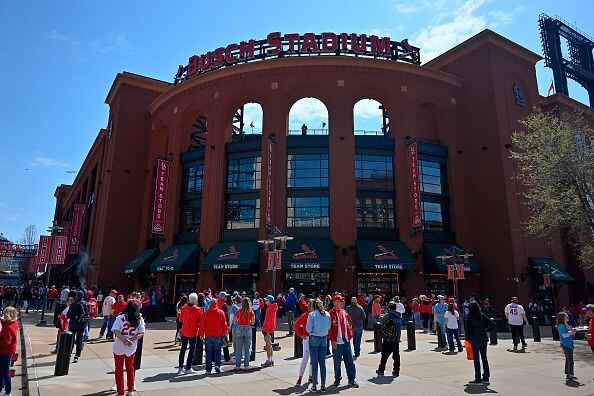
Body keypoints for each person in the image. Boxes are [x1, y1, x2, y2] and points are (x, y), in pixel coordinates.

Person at [112, 300, 145, 396]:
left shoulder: (120, 318)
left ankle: (120, 392)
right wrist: (132, 339)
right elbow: (141, 333)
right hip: (131, 347)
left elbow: (116, 331)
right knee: (130, 368)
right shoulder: (139, 319)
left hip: (119, 346)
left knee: (119, 369)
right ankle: (130, 390)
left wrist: (124, 340)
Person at [328, 294, 358, 388]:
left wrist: (350, 334)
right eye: (339, 301)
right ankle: (337, 379)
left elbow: (350, 324)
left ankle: (351, 380)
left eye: (341, 301)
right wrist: (332, 340)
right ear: (334, 302)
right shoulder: (330, 314)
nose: (341, 303)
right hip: (337, 342)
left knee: (350, 361)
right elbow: (329, 329)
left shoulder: (344, 312)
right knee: (337, 362)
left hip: (346, 342)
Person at [465, 301, 495, 386]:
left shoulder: (469, 316)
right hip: (483, 337)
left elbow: (467, 329)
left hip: (474, 339)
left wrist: (467, 339)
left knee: (476, 359)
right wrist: (486, 330)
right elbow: (493, 324)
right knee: (484, 357)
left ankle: (478, 378)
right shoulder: (482, 315)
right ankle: (486, 377)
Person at [306, 298, 331, 392]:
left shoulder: (312, 314)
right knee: (322, 363)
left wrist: (313, 331)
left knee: (314, 363)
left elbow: (308, 329)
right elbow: (328, 327)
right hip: (324, 339)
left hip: (314, 338)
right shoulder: (327, 314)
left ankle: (314, 386)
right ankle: (323, 385)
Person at [199, 296, 228, 375]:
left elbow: (202, 325)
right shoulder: (220, 312)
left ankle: (208, 369)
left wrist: (201, 334)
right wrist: (225, 333)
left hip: (208, 335)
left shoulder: (206, 313)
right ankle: (217, 365)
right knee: (217, 351)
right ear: (216, 303)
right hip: (218, 335)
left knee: (208, 353)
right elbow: (224, 324)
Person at [178, 293, 203, 374]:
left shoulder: (183, 308)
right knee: (191, 350)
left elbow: (181, 320)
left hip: (184, 331)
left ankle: (180, 367)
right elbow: (201, 321)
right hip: (193, 332)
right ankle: (188, 367)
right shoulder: (198, 309)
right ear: (195, 300)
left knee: (183, 349)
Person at [376, 301, 400, 376]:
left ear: (389, 308)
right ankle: (396, 371)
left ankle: (381, 370)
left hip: (387, 338)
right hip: (396, 338)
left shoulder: (388, 315)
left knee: (384, 356)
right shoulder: (399, 315)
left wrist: (382, 314)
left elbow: (380, 320)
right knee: (396, 355)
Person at [294, 299, 314, 385]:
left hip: (313, 338)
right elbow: (296, 324)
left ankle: (310, 376)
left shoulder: (314, 315)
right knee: (306, 357)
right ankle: (300, 377)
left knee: (312, 358)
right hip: (308, 338)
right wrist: (301, 335)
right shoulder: (306, 315)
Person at [67, 291, 90, 363]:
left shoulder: (73, 304)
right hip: (81, 325)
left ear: (76, 296)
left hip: (73, 325)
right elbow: (87, 314)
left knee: (71, 339)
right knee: (79, 340)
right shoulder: (86, 304)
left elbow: (68, 315)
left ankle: (69, 354)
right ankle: (77, 356)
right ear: (83, 296)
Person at [233, 296, 255, 371]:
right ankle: (246, 366)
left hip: (240, 328)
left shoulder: (239, 311)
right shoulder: (251, 311)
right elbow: (252, 322)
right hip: (248, 328)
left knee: (238, 348)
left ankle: (238, 366)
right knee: (247, 348)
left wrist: (239, 321)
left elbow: (235, 321)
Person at [0, 306, 18, 396]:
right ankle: (6, 390)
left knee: (4, 372)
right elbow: (4, 322)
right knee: (4, 371)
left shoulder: (7, 328)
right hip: (9, 351)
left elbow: (6, 342)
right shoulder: (14, 323)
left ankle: (8, 392)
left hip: (5, 351)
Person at [556, 311, 576, 381]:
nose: (568, 316)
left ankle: (568, 373)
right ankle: (570, 374)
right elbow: (564, 335)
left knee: (568, 360)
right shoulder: (561, 326)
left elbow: (567, 333)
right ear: (562, 317)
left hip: (569, 344)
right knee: (570, 360)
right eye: (566, 315)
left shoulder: (565, 324)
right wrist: (571, 332)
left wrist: (572, 331)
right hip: (566, 344)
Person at [261, 295, 278, 367]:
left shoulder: (270, 309)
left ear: (270, 301)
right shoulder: (272, 308)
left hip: (267, 329)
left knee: (268, 345)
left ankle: (269, 361)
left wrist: (265, 329)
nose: (265, 301)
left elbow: (268, 320)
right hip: (270, 329)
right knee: (269, 345)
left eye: (266, 300)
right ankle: (270, 360)